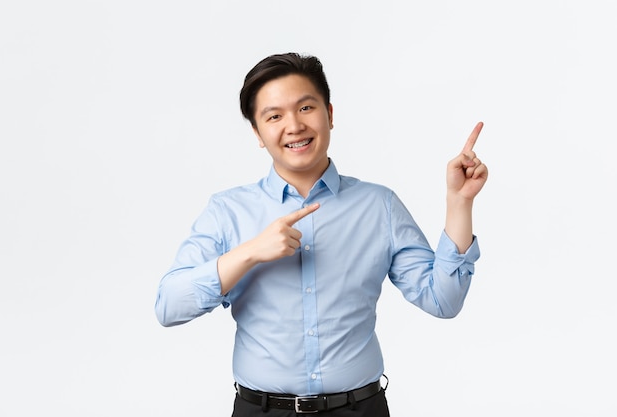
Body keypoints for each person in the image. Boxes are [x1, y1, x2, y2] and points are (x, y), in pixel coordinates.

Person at [155, 52, 488, 416]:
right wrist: (250, 252)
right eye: (274, 116)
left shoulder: (379, 206)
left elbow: (443, 300)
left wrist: (459, 203)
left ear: (329, 114)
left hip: (360, 408)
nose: (294, 126)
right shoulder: (226, 212)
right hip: (262, 410)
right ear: (257, 133)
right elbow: (170, 306)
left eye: (306, 108)